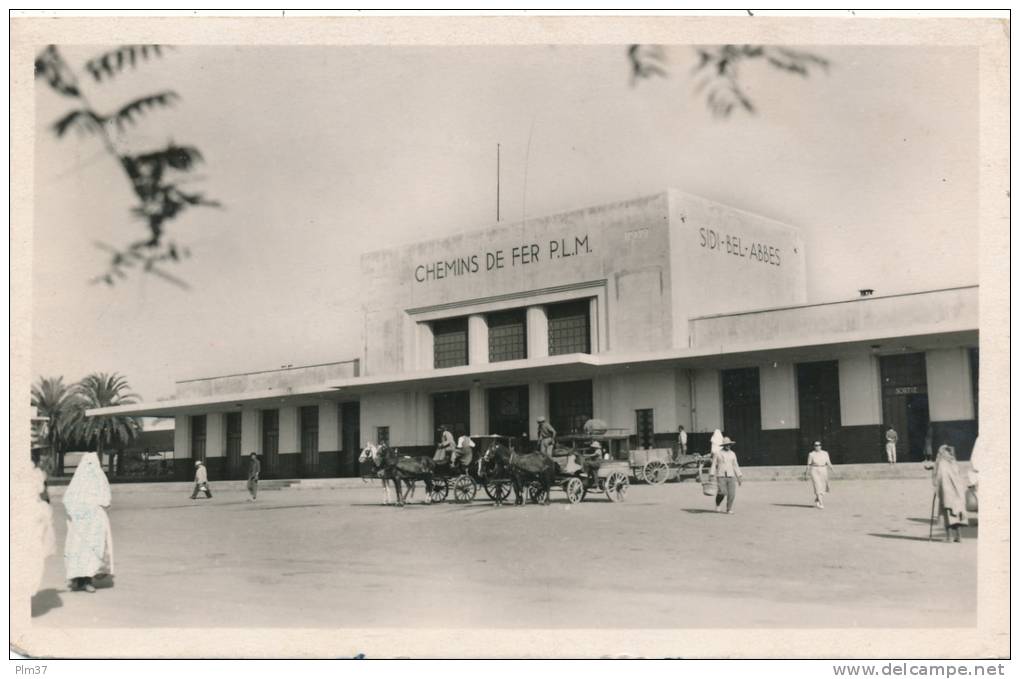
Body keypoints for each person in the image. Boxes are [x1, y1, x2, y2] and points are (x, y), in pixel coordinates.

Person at [63, 452, 113, 593]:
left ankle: (88, 580)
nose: (90, 468)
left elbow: (106, 500)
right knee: (78, 550)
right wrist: (77, 512)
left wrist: (98, 507)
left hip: (95, 523)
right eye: (87, 464)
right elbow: (68, 500)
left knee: (93, 551)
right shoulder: (78, 481)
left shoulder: (100, 480)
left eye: (93, 464)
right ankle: (79, 580)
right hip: (80, 523)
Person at [932, 444, 968, 543]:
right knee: (956, 514)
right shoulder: (953, 462)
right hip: (957, 494)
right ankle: (959, 536)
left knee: (947, 514)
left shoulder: (941, 463)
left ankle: (949, 537)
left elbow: (938, 477)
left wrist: (936, 486)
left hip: (947, 493)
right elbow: (959, 476)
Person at [709, 437, 743, 514]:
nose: (728, 446)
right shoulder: (718, 453)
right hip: (721, 475)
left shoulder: (732, 454)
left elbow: (735, 465)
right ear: (723, 445)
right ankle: (718, 504)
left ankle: (729, 509)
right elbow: (714, 464)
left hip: (731, 475)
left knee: (732, 494)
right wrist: (711, 474)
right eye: (726, 445)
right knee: (722, 492)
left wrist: (739, 476)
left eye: (729, 444)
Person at [804, 441, 834, 509]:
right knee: (817, 485)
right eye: (816, 445)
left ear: (821, 446)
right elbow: (808, 464)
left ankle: (817, 498)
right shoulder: (811, 454)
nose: (817, 446)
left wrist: (831, 467)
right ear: (814, 446)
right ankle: (821, 503)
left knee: (823, 486)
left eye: (819, 445)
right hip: (814, 470)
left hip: (823, 469)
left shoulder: (825, 453)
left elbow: (828, 461)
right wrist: (806, 472)